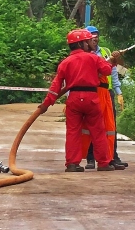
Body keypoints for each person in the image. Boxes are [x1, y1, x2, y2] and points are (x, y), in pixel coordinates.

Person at [39, 29, 117, 172]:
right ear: (81, 43)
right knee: (98, 131)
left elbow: (56, 86)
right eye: (87, 41)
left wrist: (46, 104)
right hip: (91, 99)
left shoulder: (65, 63)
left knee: (73, 132)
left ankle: (72, 164)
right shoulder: (93, 58)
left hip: (74, 99)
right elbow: (106, 71)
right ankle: (104, 163)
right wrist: (112, 61)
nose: (89, 44)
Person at [84, 26, 127, 170]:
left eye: (96, 36)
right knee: (91, 126)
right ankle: (91, 158)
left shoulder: (105, 52)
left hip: (107, 93)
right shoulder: (84, 54)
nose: (94, 39)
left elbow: (113, 72)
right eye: (91, 36)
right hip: (91, 92)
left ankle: (112, 156)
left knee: (110, 126)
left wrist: (118, 91)